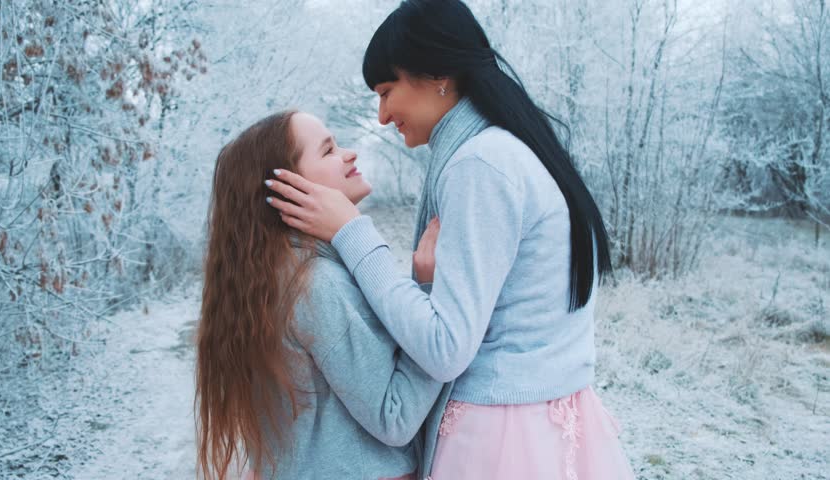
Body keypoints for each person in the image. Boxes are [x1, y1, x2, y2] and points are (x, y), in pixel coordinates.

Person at [264, 1, 635, 478]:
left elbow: (445, 347)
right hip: (541, 421)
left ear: (436, 73)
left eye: (386, 90)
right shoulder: (507, 149)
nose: (381, 117)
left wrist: (352, 233)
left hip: (500, 438)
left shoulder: (479, 164)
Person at [195, 110, 442, 480]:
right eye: (328, 151)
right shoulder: (316, 285)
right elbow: (395, 415)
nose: (349, 154)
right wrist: (431, 296)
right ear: (287, 189)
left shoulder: (270, 281)